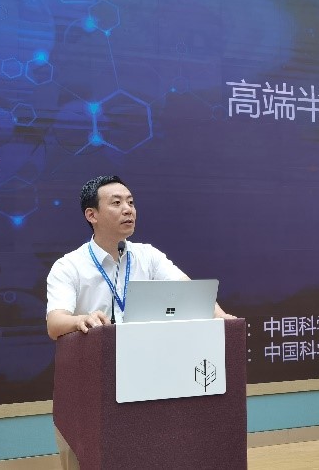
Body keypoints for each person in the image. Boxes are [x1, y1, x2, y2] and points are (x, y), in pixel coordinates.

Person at [46, 175, 234, 469]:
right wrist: (81, 319)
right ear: (92, 215)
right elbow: (55, 322)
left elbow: (190, 292)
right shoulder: (69, 266)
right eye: (117, 203)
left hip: (145, 381)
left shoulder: (147, 256)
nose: (128, 209)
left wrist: (222, 318)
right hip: (89, 386)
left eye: (131, 203)